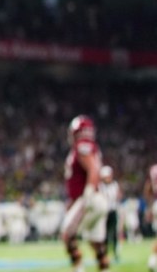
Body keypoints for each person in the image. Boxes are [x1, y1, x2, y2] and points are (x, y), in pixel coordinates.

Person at [60, 115, 109, 272]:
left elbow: (93, 169)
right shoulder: (91, 146)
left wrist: (88, 194)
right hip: (97, 199)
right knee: (96, 241)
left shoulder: (82, 145)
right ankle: (104, 269)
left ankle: (78, 268)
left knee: (68, 233)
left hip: (89, 198)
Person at [98, 165, 120, 262]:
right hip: (104, 212)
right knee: (104, 234)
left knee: (114, 233)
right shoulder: (100, 186)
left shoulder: (114, 185)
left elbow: (117, 197)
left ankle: (115, 251)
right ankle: (105, 252)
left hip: (113, 211)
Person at [146, 163, 157, 271]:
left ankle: (152, 260)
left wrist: (149, 207)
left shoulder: (153, 169)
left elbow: (148, 189)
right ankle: (152, 260)